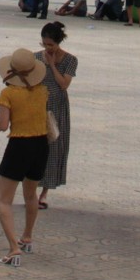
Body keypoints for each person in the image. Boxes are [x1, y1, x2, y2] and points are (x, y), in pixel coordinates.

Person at [0, 47, 51, 265]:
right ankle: (27, 237)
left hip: (19, 145)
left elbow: (4, 125)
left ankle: (13, 248)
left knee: (4, 200)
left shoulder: (8, 94)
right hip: (40, 144)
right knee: (30, 195)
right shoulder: (43, 91)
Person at [38, 21, 78, 208]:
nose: (47, 48)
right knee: (34, 147)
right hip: (38, 106)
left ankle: (45, 192)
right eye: (44, 44)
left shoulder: (70, 60)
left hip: (57, 107)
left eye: (51, 45)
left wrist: (53, 65)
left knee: (54, 148)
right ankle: (31, 187)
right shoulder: (35, 58)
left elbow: (64, 84)